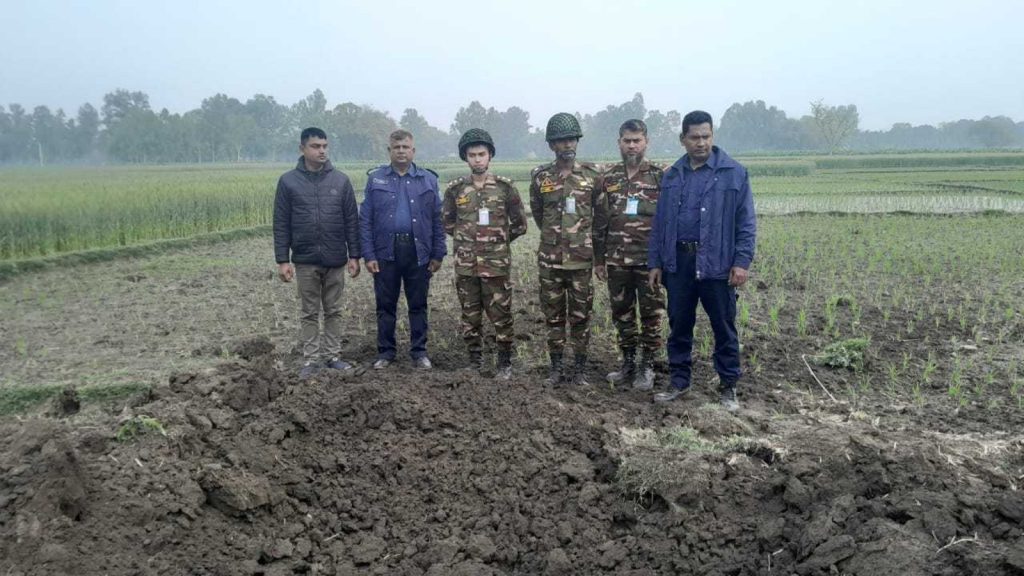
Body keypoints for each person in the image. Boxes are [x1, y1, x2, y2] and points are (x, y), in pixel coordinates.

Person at [647, 110, 756, 411]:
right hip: (679, 263)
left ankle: (728, 386)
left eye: (706, 136)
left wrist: (742, 262)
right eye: (694, 137)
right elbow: (660, 223)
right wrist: (655, 262)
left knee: (723, 326)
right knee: (679, 324)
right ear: (683, 139)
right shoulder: (672, 176)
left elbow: (746, 223)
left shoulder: (734, 173)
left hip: (718, 265)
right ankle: (679, 382)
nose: (701, 142)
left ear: (713, 136)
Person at [273, 127, 361, 378]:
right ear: (302, 149)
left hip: (335, 258)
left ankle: (333, 356)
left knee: (334, 309)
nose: (321, 150)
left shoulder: (340, 181)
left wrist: (354, 256)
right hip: (305, 259)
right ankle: (311, 359)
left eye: (324, 146)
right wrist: (282, 260)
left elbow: (351, 221)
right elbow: (281, 222)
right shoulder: (288, 182)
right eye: (315, 146)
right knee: (309, 311)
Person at [529, 113, 608, 386]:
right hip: (550, 262)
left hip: (581, 261)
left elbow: (600, 218)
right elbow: (539, 215)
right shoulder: (541, 177)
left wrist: (597, 256)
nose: (567, 145)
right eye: (561, 141)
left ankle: (580, 370)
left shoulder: (592, 175)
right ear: (552, 145)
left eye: (571, 139)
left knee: (581, 317)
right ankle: (556, 368)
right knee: (553, 316)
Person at [443, 129, 528, 379]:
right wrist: (468, 243)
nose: (477, 159)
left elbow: (520, 224)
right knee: (470, 315)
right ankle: (474, 361)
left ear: (490, 156)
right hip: (466, 266)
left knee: (501, 315)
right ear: (465, 158)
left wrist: (496, 242)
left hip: (496, 266)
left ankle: (504, 363)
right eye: (472, 155)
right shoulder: (456, 190)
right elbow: (448, 223)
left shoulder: (505, 188)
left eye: (482, 154)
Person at [360, 130, 446, 370]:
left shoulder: (427, 180)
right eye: (396, 147)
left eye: (405, 147)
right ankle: (386, 353)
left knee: (418, 305)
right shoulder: (376, 179)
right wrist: (369, 254)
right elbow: (365, 219)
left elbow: (437, 220)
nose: (401, 151)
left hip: (418, 251)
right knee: (385, 306)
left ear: (413, 151)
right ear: (389, 151)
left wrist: (438, 253)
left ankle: (419, 353)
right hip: (386, 252)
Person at [596, 119, 666, 391]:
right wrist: (599, 259)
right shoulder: (609, 178)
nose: (632, 145)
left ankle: (647, 365)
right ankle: (627, 362)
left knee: (651, 315)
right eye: (627, 140)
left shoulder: (660, 177)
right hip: (616, 261)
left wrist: (663, 260)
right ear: (619, 143)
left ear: (646, 141)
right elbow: (600, 220)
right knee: (622, 314)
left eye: (637, 140)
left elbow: (668, 220)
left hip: (650, 263)